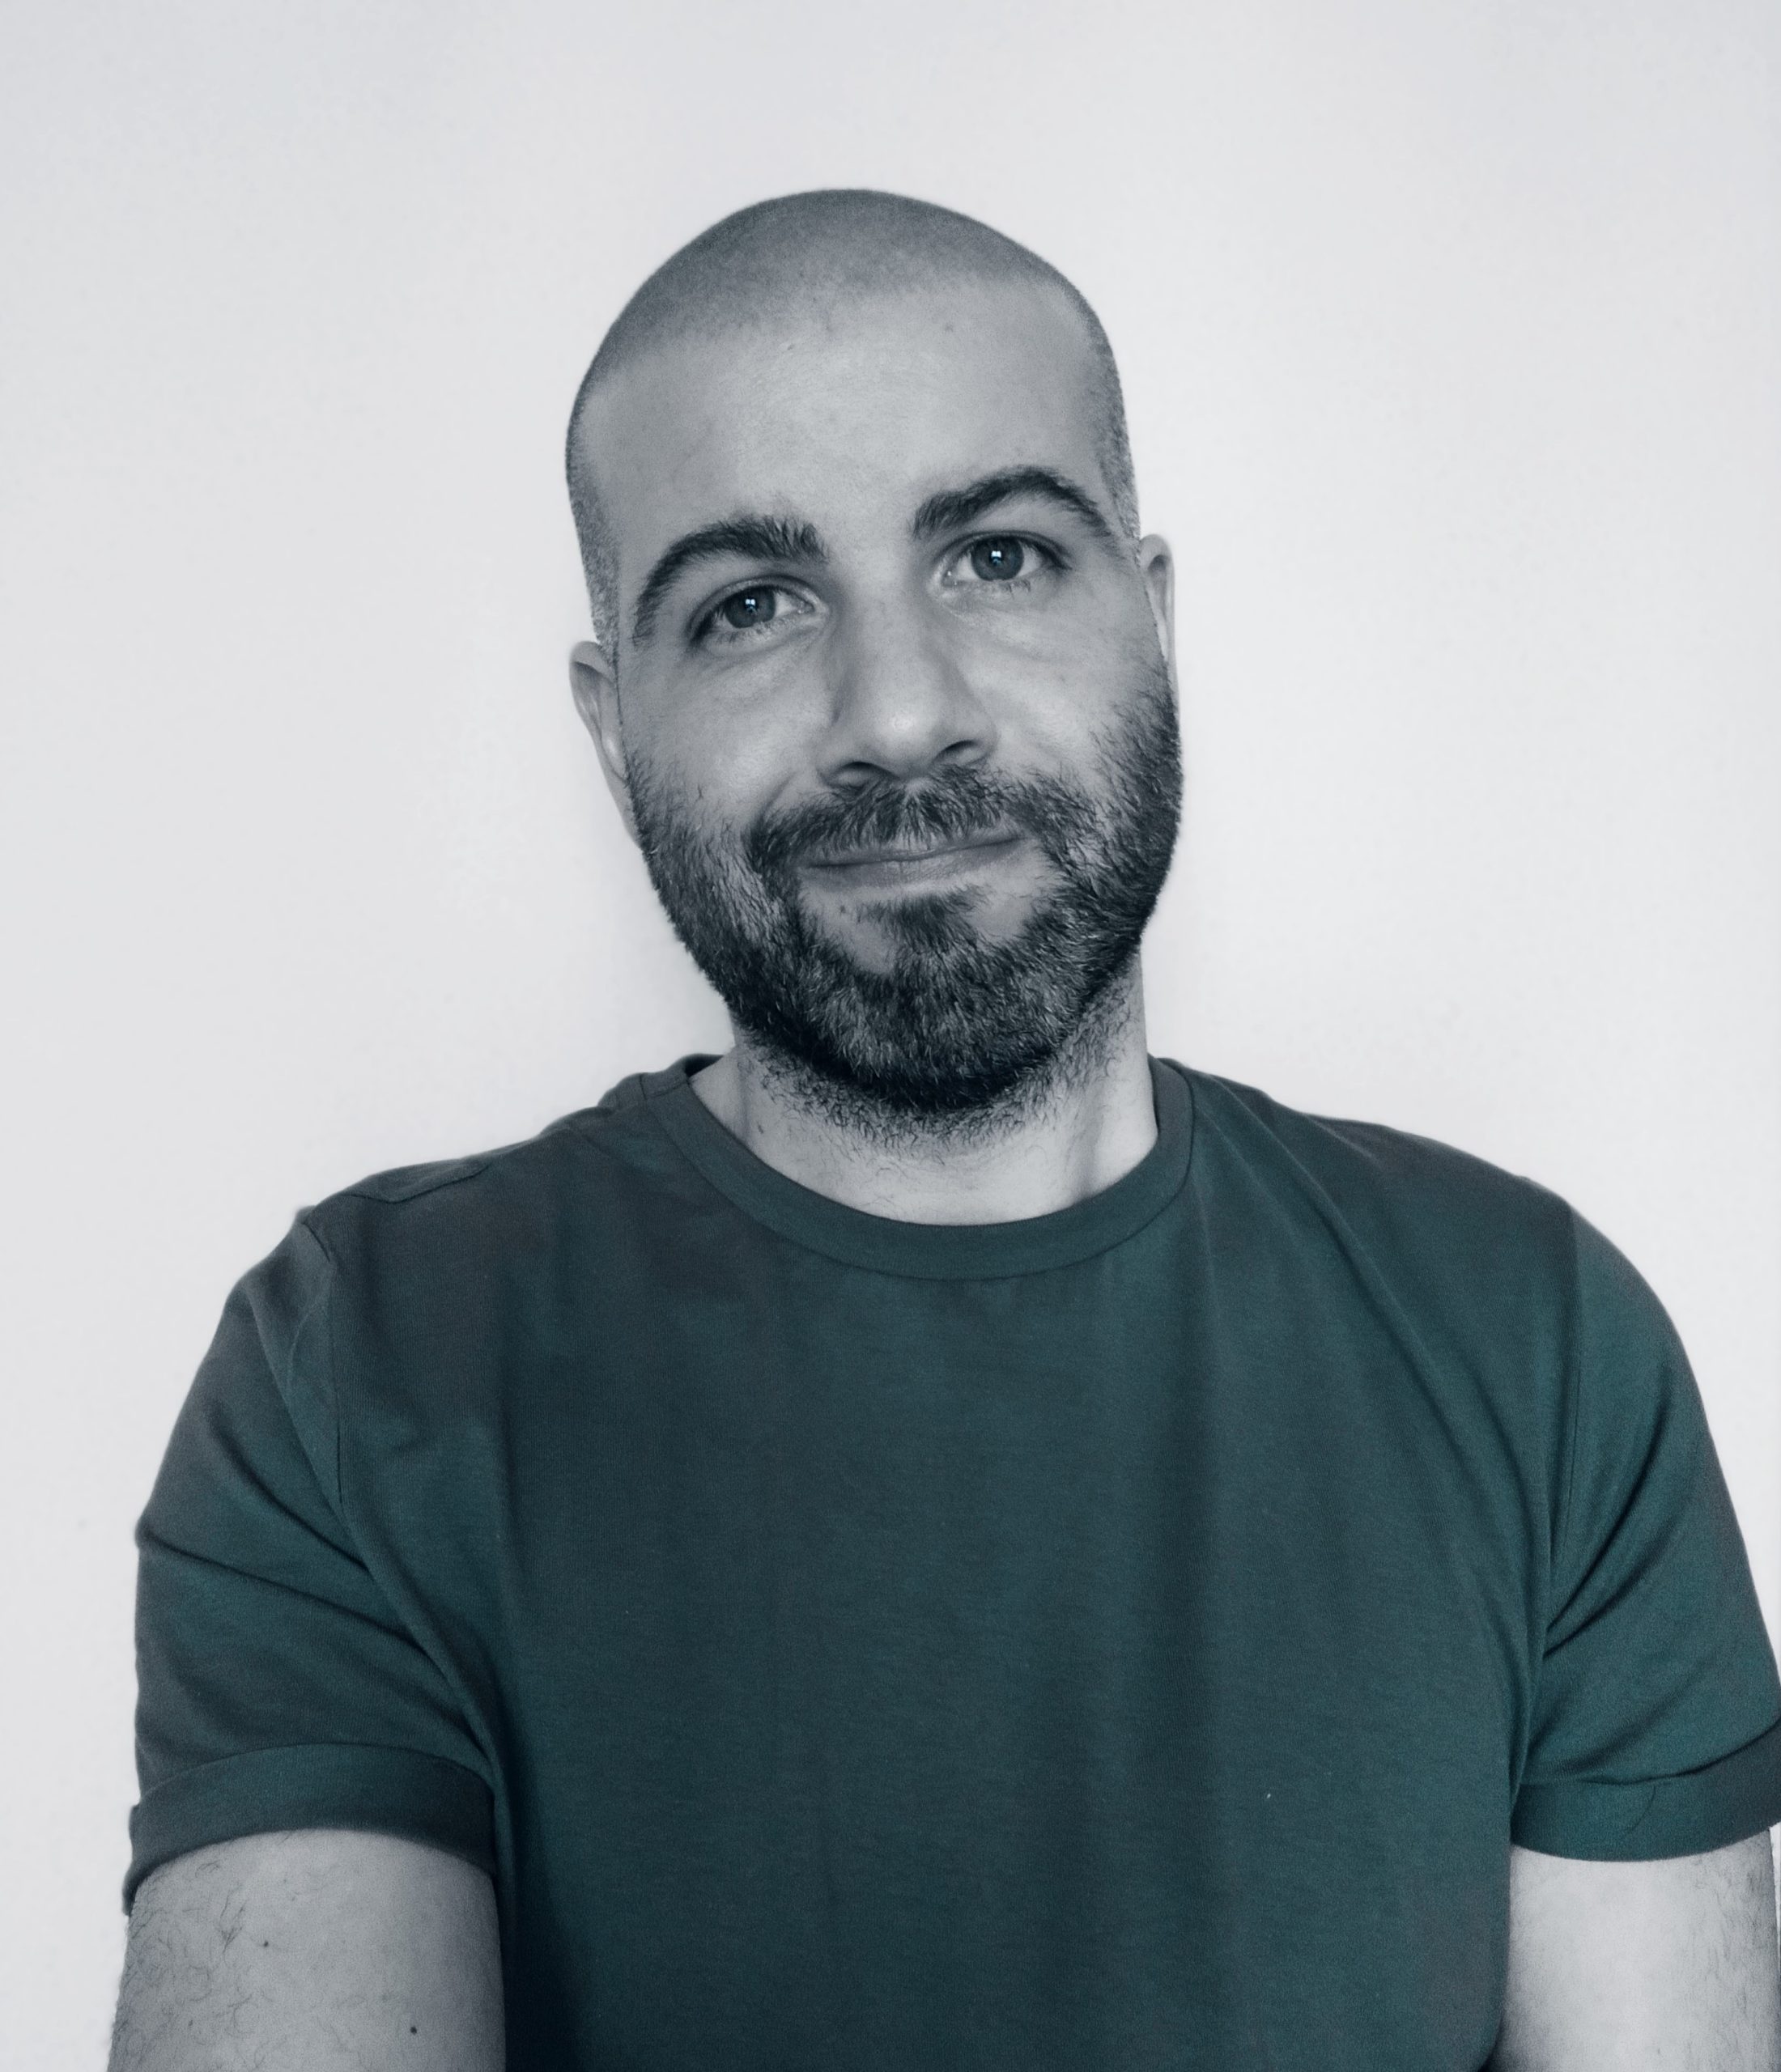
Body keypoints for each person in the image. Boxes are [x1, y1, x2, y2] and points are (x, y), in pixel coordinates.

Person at [110, 189, 1781, 2071]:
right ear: (612, 722)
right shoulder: (363, 1368)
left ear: (1152, 621)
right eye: (749, 606)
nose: (898, 715)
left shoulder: (1534, 1341)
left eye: (996, 557)